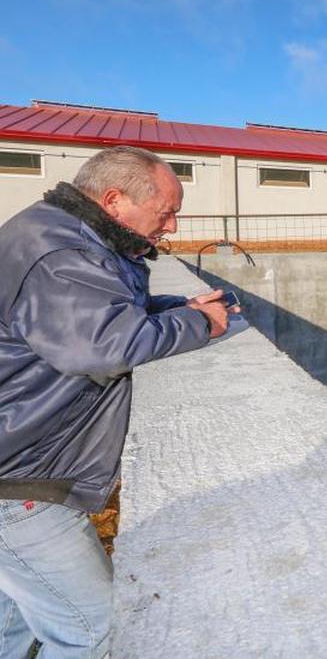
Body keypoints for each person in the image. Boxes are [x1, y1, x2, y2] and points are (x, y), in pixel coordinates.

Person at [0, 146, 235, 658]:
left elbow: (97, 312)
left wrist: (176, 306)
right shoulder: (61, 254)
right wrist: (199, 323)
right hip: (19, 477)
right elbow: (104, 346)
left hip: (17, 459)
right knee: (95, 629)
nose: (171, 225)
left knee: (15, 621)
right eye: (166, 211)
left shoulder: (70, 235)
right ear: (114, 200)